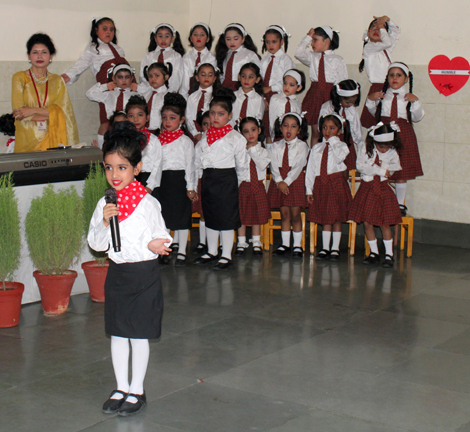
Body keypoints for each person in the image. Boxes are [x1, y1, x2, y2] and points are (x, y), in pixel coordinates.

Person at [87, 127, 172, 416]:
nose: (114, 174)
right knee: (118, 333)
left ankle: (137, 389)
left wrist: (154, 244)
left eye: (122, 167)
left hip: (143, 275)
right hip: (118, 275)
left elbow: (162, 235)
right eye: (109, 167)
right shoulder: (105, 203)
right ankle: (121, 386)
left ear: (137, 168)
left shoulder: (148, 203)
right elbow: (97, 245)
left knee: (138, 334)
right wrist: (103, 222)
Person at [194, 88, 249, 270]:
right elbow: (198, 160)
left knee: (226, 218)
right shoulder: (205, 137)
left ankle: (226, 254)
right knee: (210, 215)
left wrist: (236, 184)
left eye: (221, 114)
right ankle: (211, 251)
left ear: (230, 116)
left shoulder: (235, 138)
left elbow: (242, 165)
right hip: (209, 179)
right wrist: (200, 179)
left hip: (226, 179)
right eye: (212, 113)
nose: (215, 117)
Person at [365, 62, 424, 215]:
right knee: (382, 165)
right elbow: (373, 113)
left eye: (399, 75)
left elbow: (417, 117)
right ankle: (379, 200)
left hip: (403, 134)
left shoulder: (408, 97)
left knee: (401, 169)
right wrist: (370, 100)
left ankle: (399, 204)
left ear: (406, 78)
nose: (395, 78)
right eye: (391, 75)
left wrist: (416, 102)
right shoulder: (382, 96)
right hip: (384, 132)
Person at [61, 17, 131, 141]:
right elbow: (82, 63)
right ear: (96, 30)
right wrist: (69, 75)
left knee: (125, 119)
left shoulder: (119, 50)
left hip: (124, 89)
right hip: (106, 90)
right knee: (106, 121)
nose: (108, 32)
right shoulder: (93, 49)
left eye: (111, 29)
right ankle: (103, 147)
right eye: (104, 29)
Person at [12, 33, 78, 153]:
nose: (39, 56)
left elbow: (65, 114)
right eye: (35, 52)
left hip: (53, 139)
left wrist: (32, 111)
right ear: (29, 56)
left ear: (50, 56)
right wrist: (50, 115)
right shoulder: (20, 78)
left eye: (44, 52)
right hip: (26, 140)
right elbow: (18, 113)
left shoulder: (57, 80)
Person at [348, 122, 403, 268]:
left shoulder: (392, 152)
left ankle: (389, 254)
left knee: (384, 223)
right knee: (367, 222)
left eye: (387, 146)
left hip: (383, 189)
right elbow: (361, 167)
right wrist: (379, 170)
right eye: (381, 146)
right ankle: (374, 252)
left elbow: (396, 167)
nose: (384, 150)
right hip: (367, 188)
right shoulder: (365, 148)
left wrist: (382, 167)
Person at [155, 93, 196, 266]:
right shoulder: (158, 140)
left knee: (181, 218)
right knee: (163, 217)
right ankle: (165, 250)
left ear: (181, 120)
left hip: (180, 181)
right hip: (163, 182)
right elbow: (156, 164)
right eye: (164, 117)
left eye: (172, 118)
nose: (167, 121)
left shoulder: (186, 142)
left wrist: (190, 187)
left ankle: (182, 252)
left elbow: (190, 165)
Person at [306, 114, 351, 261]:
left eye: (332, 128)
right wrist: (309, 190)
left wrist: (333, 141)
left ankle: (335, 248)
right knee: (326, 218)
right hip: (321, 184)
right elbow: (311, 169)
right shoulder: (316, 148)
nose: (327, 131)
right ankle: (325, 248)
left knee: (337, 218)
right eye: (325, 127)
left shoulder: (342, 146)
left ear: (339, 131)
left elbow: (339, 158)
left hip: (336, 184)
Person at [295, 26, 347, 146]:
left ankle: (329, 155)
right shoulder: (313, 57)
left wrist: (338, 100)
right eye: (312, 40)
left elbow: (342, 81)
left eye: (315, 40)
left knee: (330, 131)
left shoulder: (337, 59)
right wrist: (308, 37)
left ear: (327, 41)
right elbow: (298, 53)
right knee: (316, 132)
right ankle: (315, 155)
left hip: (331, 95)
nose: (312, 43)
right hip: (315, 95)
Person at [267, 112, 309, 258]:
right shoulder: (274, 146)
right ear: (280, 128)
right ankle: (285, 244)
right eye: (285, 126)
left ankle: (297, 245)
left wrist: (287, 182)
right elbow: (273, 165)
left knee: (295, 215)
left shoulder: (302, 146)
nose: (289, 129)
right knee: (284, 214)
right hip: (279, 181)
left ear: (299, 129)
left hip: (294, 181)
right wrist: (279, 181)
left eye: (293, 126)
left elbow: (299, 165)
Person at [235, 117, 271, 256]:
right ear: (241, 134)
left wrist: (252, 151)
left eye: (253, 130)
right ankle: (241, 242)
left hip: (258, 186)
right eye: (246, 131)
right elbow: (238, 169)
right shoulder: (240, 151)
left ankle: (256, 242)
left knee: (257, 216)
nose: (250, 134)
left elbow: (262, 165)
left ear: (259, 130)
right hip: (244, 185)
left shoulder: (263, 150)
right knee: (242, 215)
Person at [359, 16, 400, 128]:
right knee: (377, 124)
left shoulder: (385, 49)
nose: (377, 30)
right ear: (368, 33)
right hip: (378, 89)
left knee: (388, 123)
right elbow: (387, 42)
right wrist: (382, 27)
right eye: (374, 28)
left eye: (380, 29)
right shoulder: (369, 48)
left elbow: (396, 32)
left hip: (390, 88)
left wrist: (387, 20)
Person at [86, 64, 139, 146]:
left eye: (127, 77)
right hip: (113, 125)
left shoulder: (136, 95)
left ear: (132, 79)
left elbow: (150, 91)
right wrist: (105, 86)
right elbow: (90, 94)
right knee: (104, 126)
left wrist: (139, 88)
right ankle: (102, 150)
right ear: (114, 78)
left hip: (129, 125)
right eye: (120, 77)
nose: (124, 80)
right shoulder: (109, 94)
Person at [260, 25, 296, 141]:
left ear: (282, 41)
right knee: (266, 129)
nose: (270, 45)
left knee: (277, 128)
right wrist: (262, 97)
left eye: (274, 42)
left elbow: (290, 81)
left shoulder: (286, 60)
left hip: (279, 97)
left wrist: (271, 88)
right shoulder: (264, 61)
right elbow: (259, 80)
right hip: (264, 97)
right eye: (267, 42)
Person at [318, 79, 362, 172]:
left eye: (353, 102)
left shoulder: (352, 110)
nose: (351, 105)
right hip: (331, 143)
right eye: (348, 102)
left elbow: (357, 131)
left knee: (347, 170)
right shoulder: (327, 107)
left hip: (347, 142)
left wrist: (361, 147)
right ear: (340, 97)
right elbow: (321, 127)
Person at [125, 95, 162, 193]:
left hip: (149, 181)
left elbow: (157, 164)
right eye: (131, 116)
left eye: (140, 115)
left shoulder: (154, 140)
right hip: (129, 180)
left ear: (147, 117)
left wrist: (150, 186)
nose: (135, 119)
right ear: (126, 118)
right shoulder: (125, 140)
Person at [140, 23, 184, 93]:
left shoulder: (176, 56)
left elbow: (177, 77)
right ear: (155, 38)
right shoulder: (149, 56)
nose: (163, 39)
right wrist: (148, 90)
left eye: (167, 36)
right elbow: (143, 76)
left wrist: (169, 92)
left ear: (172, 38)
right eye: (160, 36)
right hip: (150, 92)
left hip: (169, 93)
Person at [216, 23, 261, 91]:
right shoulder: (225, 55)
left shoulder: (250, 54)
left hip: (242, 88)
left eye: (236, 39)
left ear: (243, 39)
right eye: (228, 39)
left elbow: (259, 73)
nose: (232, 42)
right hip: (225, 89)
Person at [180, 23, 217, 99]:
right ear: (191, 38)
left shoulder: (211, 58)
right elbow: (184, 79)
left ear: (208, 39)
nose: (198, 37)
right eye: (195, 34)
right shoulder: (186, 57)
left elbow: (210, 79)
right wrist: (184, 96)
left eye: (202, 35)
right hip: (188, 93)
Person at [192, 110, 211, 255]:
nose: (208, 127)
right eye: (205, 124)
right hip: (202, 180)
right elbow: (195, 166)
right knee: (203, 213)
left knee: (218, 213)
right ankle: (202, 242)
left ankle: (219, 244)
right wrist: (194, 186)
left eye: (211, 124)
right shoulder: (199, 145)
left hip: (216, 181)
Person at [185, 63, 219, 142]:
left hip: (213, 132)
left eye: (210, 75)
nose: (206, 77)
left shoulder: (216, 96)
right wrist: (195, 133)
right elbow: (188, 117)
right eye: (203, 75)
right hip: (194, 133)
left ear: (214, 78)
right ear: (197, 77)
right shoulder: (192, 97)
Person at [268, 69, 304, 141]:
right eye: (285, 83)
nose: (287, 87)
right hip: (276, 136)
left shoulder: (297, 104)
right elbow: (271, 117)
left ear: (299, 88)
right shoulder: (275, 98)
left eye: (291, 85)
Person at [138, 62, 172, 133]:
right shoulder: (144, 95)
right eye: (150, 76)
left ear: (166, 77)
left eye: (157, 76)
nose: (153, 79)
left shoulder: (168, 97)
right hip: (143, 131)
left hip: (160, 132)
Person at [231, 63, 265, 127]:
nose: (246, 80)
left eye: (250, 77)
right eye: (243, 76)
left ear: (257, 79)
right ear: (239, 77)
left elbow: (258, 120)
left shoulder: (259, 99)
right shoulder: (232, 96)